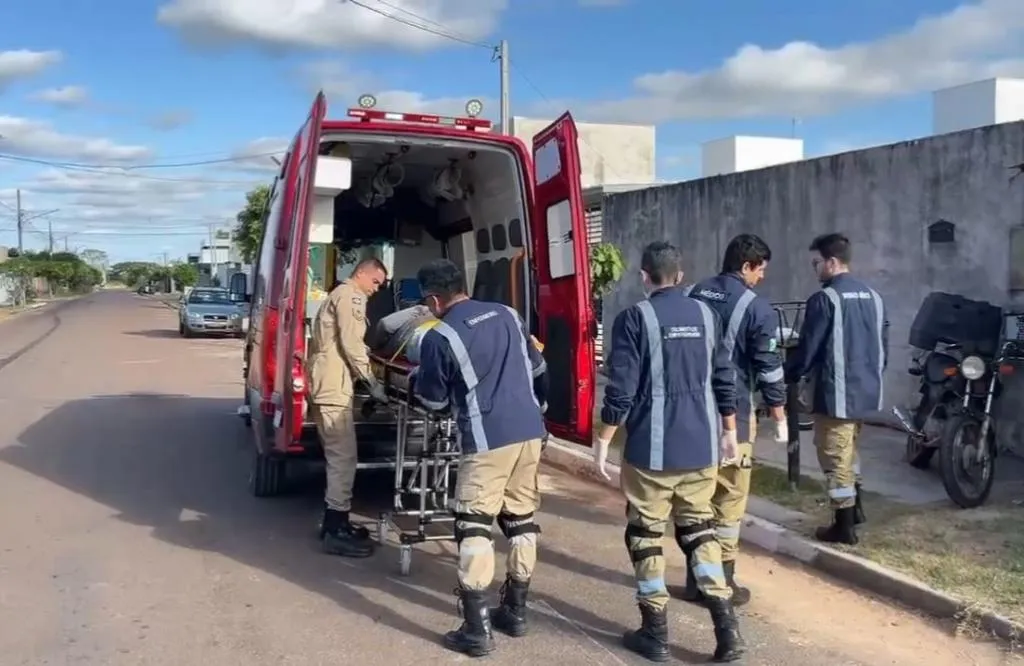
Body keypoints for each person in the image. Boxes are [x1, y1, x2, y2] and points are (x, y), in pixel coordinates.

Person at [594, 241, 746, 663]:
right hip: (700, 447)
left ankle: (655, 632)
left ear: (644, 276)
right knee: (700, 531)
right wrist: (729, 432)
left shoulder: (633, 319)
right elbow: (724, 379)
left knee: (645, 535)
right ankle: (727, 630)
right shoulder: (708, 315)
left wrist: (604, 441)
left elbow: (621, 389)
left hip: (651, 452)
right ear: (680, 276)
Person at [411, 259, 549, 658]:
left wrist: (420, 377)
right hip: (530, 431)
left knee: (473, 526)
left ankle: (476, 629)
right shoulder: (510, 314)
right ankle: (516, 611)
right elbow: (537, 366)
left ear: (435, 299)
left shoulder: (441, 337)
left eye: (427, 302)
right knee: (521, 519)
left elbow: (434, 400)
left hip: (488, 438)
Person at [682, 233, 788, 606]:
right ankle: (721, 581)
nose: (761, 278)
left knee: (697, 497)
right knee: (729, 498)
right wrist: (779, 412)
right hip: (735, 416)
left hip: (691, 411)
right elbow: (768, 366)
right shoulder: (757, 307)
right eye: (760, 270)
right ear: (746, 266)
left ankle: (695, 578)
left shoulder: (693, 292)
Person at [785, 233, 888, 545]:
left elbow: (809, 348)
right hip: (866, 391)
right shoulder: (874, 296)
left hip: (835, 393)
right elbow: (883, 346)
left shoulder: (825, 299)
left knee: (834, 457)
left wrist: (790, 374)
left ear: (831, 262)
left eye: (817, 263)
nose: (815, 269)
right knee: (850, 453)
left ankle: (843, 526)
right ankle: (855, 511)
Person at [307, 257, 389, 558]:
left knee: (338, 456)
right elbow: (353, 345)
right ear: (362, 275)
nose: (376, 290)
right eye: (376, 282)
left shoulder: (337, 294)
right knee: (343, 458)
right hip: (332, 386)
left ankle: (336, 521)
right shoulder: (351, 296)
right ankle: (335, 528)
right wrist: (372, 383)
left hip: (326, 382)